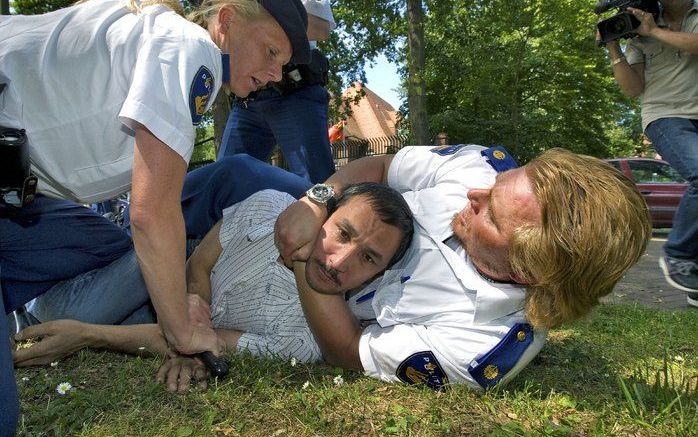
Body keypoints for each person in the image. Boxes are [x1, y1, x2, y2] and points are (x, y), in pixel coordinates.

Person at [0, 0, 309, 433]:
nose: (277, 74)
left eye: (285, 64)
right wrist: (182, 334)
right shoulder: (192, 50)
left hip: (26, 201)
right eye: (272, 52)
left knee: (130, 263)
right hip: (21, 201)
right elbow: (151, 214)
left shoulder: (162, 35)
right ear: (227, 20)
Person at [275, 144, 652, 390]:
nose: (475, 194)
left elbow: (346, 349)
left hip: (298, 297)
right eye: (498, 184)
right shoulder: (479, 168)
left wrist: (308, 256)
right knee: (239, 175)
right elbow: (384, 166)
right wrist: (316, 202)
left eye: (494, 214)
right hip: (300, 216)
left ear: (527, 272)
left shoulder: (483, 345)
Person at [12, 184, 414, 394]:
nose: (339, 261)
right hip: (157, 276)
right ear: (323, 214)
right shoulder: (267, 205)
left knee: (75, 315)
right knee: (146, 260)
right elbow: (198, 264)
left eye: (369, 259)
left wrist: (84, 336)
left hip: (149, 316)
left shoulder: (304, 340)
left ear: (376, 278)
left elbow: (211, 341)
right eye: (343, 233)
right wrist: (191, 307)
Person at [602, 0, 698, 305]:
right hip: (665, 116)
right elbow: (633, 89)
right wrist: (613, 47)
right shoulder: (639, 29)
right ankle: (678, 254)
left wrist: (654, 31)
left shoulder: (659, 24)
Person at [218, 0, 336, 183]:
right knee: (224, 180)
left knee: (317, 185)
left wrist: (266, 12)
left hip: (296, 93)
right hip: (247, 98)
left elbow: (323, 28)